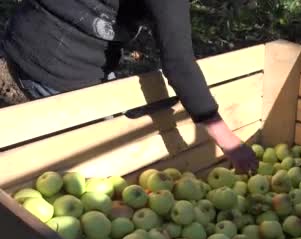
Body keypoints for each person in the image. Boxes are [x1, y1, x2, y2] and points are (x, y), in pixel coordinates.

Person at [0, 0, 258, 175]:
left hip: (27, 30)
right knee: (95, 157)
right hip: (57, 62)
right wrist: (230, 142)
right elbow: (179, 63)